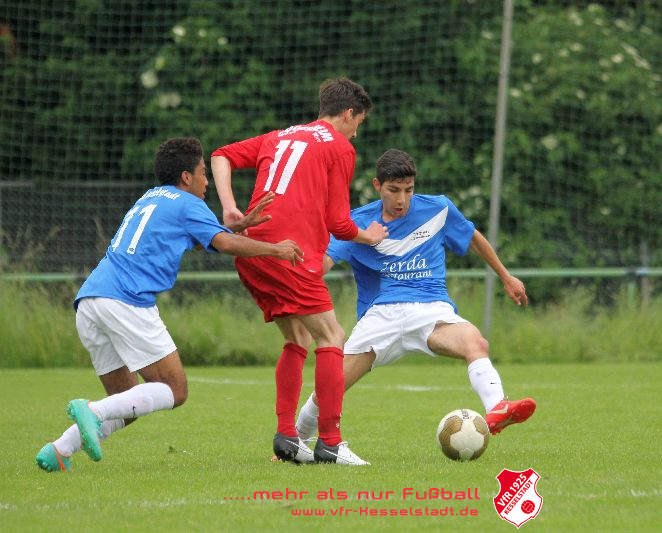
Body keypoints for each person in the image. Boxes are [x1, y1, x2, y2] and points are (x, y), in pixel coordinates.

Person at [35, 137, 304, 473]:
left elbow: (201, 236)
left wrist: (240, 224)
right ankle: (92, 410)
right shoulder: (188, 204)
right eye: (204, 172)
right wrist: (276, 249)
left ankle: (59, 450)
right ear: (186, 177)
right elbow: (223, 244)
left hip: (91, 300)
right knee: (174, 390)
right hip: (126, 301)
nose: (207, 181)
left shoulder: (151, 197)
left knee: (126, 402)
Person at [294, 149, 536, 447]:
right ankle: (296, 439)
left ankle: (497, 406)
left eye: (408, 190)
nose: (402, 199)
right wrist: (294, 252)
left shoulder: (438, 209)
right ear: (377, 185)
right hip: (381, 315)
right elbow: (322, 265)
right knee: (331, 388)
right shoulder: (357, 223)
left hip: (431, 309)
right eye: (393, 190)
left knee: (475, 342)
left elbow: (472, 236)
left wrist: (506, 276)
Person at [210, 77, 388, 466]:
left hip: (251, 249)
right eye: (359, 123)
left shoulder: (279, 136)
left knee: (298, 336)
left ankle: (287, 437)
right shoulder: (339, 146)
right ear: (348, 113)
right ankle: (331, 443)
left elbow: (221, 155)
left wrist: (229, 207)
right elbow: (339, 223)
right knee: (332, 336)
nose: (357, 132)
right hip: (288, 252)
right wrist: (369, 236)